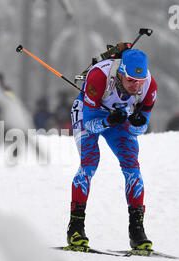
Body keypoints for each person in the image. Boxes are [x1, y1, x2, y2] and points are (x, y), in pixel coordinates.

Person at [68, 49, 158, 250]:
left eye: (139, 81)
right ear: (120, 74)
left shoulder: (149, 86)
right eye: (131, 81)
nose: (136, 86)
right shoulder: (99, 76)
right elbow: (90, 123)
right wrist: (108, 120)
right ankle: (75, 228)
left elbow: (140, 129)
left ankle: (137, 231)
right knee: (90, 162)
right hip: (88, 113)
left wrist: (137, 123)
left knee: (132, 167)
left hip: (117, 117)